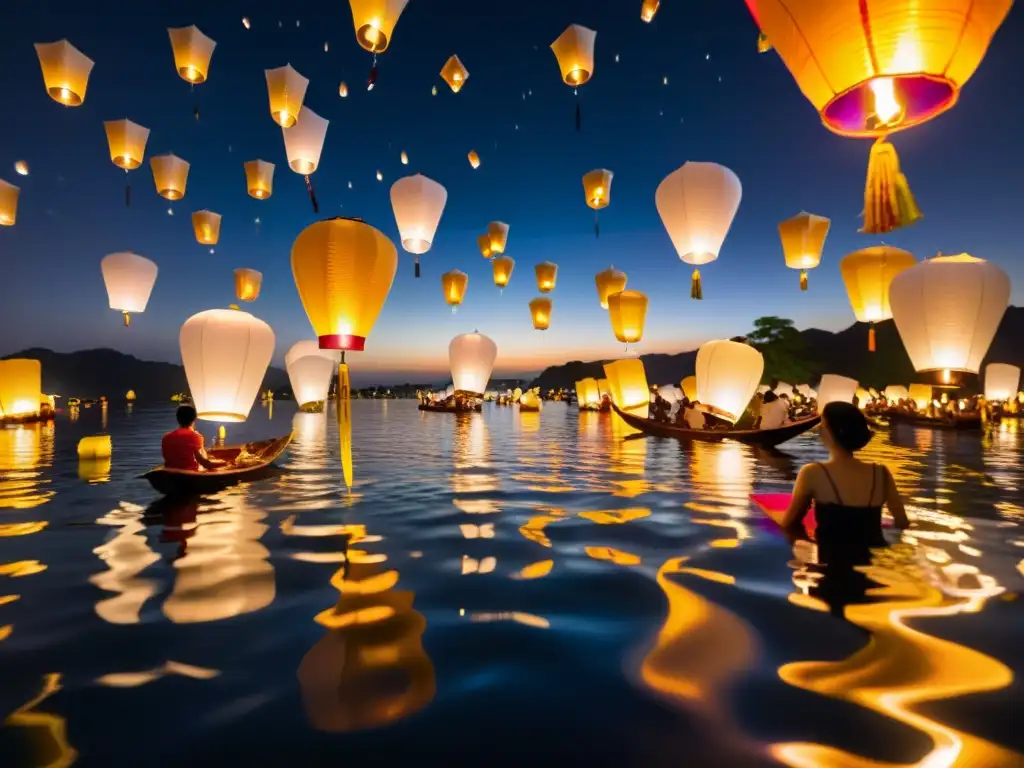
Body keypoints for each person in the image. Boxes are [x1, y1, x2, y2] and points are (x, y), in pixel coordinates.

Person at [781, 402, 909, 567]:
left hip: (831, 565)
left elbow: (790, 523)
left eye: (822, 424)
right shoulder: (881, 473)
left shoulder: (812, 473)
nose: (819, 429)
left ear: (831, 432)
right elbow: (902, 523)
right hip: (873, 566)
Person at [161, 405, 227, 472]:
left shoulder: (166, 437)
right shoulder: (195, 436)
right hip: (188, 475)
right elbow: (205, 464)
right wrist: (225, 464)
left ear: (178, 419)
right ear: (194, 419)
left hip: (170, 473)